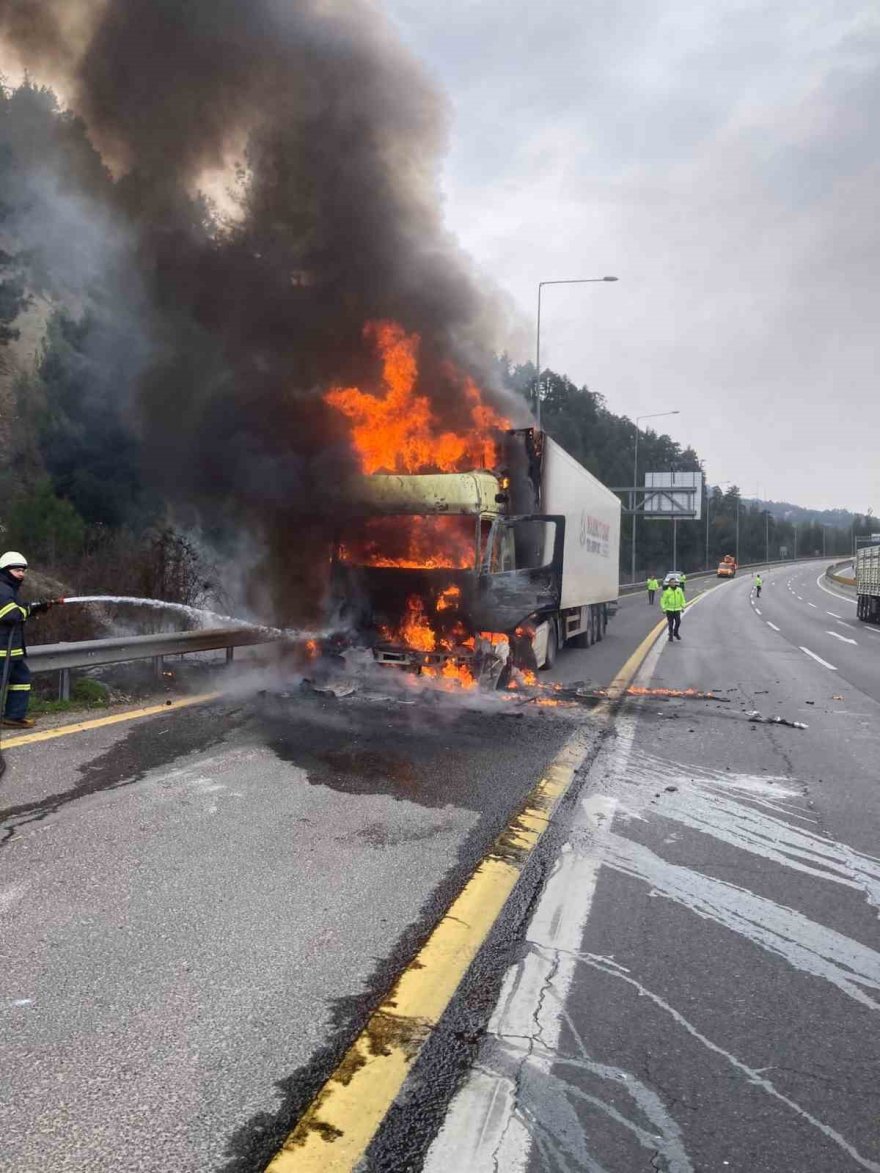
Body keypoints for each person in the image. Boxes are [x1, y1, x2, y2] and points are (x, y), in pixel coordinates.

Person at [0, 551, 58, 728]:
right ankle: (13, 716)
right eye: (18, 571)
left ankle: (13, 717)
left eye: (23, 571)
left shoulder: (10, 589)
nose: (22, 575)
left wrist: (35, 608)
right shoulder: (2, 589)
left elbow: (18, 611)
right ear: (5, 570)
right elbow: (9, 615)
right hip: (3, 649)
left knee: (21, 680)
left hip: (12, 649)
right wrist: (28, 609)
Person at [660, 576, 686, 642]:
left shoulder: (679, 590)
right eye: (671, 582)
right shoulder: (666, 591)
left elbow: (682, 599)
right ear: (669, 583)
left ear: (675, 583)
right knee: (670, 623)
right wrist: (663, 608)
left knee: (678, 622)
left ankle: (675, 632)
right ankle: (671, 636)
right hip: (669, 610)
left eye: (674, 582)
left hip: (677, 609)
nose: (673, 583)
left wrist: (683, 606)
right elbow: (663, 600)